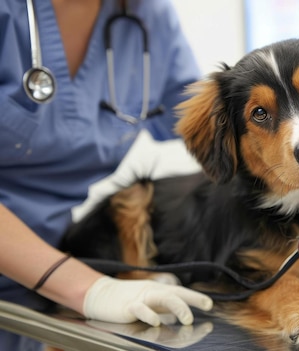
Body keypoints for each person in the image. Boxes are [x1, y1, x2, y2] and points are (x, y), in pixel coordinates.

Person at [0, 0, 214, 349]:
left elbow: (216, 130)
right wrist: (89, 288)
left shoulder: (147, 14)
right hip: (59, 281)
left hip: (43, 294)